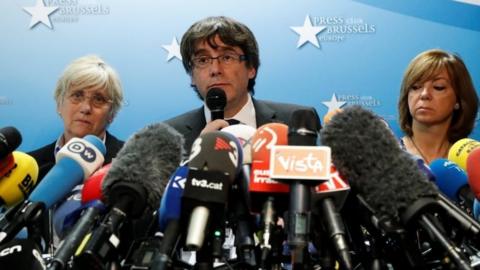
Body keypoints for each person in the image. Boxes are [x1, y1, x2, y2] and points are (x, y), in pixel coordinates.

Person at [164, 16, 321, 152]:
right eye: (203, 60)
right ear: (191, 75)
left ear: (251, 68)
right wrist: (198, 157)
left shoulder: (296, 120)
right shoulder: (168, 136)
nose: (215, 69)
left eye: (227, 57)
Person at [29, 55, 125, 180]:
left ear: (112, 114)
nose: (86, 108)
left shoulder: (133, 163)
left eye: (98, 99)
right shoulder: (31, 167)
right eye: (77, 96)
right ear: (59, 104)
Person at [398, 49, 478, 165]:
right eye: (415, 87)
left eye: (438, 87)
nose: (424, 94)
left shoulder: (472, 160)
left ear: (458, 100)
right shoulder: (387, 154)